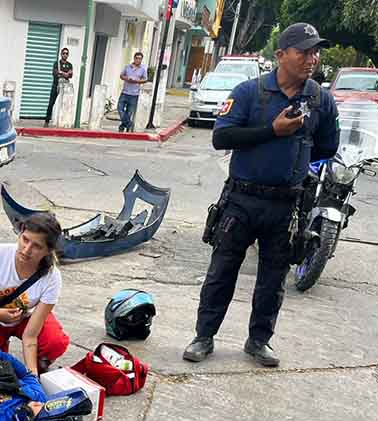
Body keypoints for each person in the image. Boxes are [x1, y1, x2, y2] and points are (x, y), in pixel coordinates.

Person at [183, 23, 340, 368]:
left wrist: (291, 159)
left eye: (316, 51)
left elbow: (327, 146)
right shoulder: (248, 93)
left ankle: (259, 341)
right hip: (242, 201)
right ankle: (204, 336)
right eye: (304, 51)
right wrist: (273, 132)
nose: (312, 58)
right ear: (281, 55)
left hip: (286, 205)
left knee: (273, 278)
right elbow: (221, 139)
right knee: (221, 271)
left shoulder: (321, 99)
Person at [0, 213, 69, 377]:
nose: (27, 250)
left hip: (25, 318)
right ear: (19, 234)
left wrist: (32, 376)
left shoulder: (52, 277)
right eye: (25, 239)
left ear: (48, 251)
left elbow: (31, 335)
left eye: (37, 246)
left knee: (54, 342)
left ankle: (38, 366)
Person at [118, 52, 148, 132]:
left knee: (129, 112)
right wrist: (127, 78)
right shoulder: (127, 67)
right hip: (125, 92)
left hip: (134, 94)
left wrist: (137, 81)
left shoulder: (143, 69)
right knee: (120, 108)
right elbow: (121, 75)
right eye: (137, 58)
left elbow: (145, 79)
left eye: (140, 58)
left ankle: (123, 126)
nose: (138, 60)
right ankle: (129, 124)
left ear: (141, 60)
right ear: (134, 58)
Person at [44, 48, 73, 127]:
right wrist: (65, 73)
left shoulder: (69, 65)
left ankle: (63, 122)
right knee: (51, 103)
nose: (65, 55)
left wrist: (61, 73)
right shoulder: (57, 63)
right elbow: (55, 73)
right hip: (56, 86)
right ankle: (46, 121)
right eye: (64, 53)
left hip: (65, 88)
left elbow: (70, 75)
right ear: (61, 54)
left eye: (67, 53)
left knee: (64, 105)